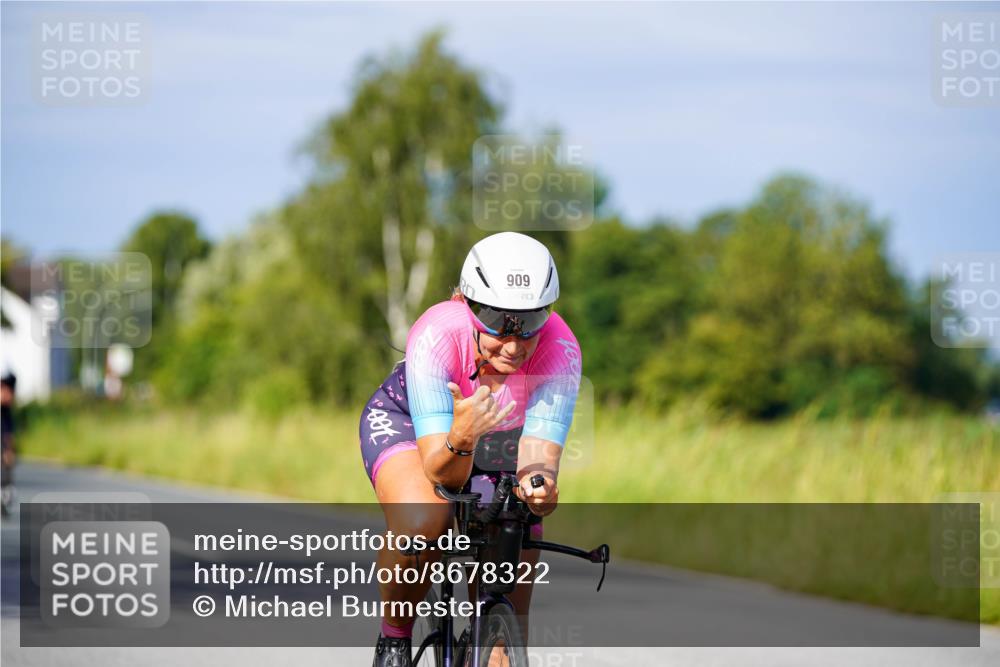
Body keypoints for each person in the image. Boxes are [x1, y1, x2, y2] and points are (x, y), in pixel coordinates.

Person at [359, 232, 582, 667]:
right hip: (414, 424)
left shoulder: (561, 348)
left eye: (531, 321)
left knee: (516, 527)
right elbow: (443, 474)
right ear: (466, 302)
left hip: (500, 439)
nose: (515, 345)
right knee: (426, 518)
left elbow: (538, 458)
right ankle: (395, 638)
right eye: (498, 320)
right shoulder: (437, 333)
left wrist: (540, 487)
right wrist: (461, 438)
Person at [1, 372, 17, 518]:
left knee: (8, 467)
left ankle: (5, 500)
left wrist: (9, 450)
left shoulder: (5, 411)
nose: (11, 396)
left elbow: (8, 433)